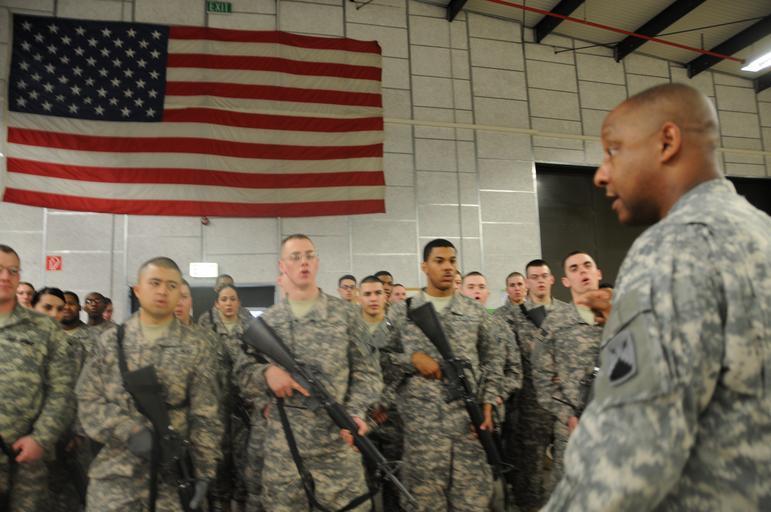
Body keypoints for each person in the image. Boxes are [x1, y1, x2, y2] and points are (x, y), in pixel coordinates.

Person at [545, 83, 771, 510]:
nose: (601, 174)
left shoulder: (671, 248)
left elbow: (628, 457)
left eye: (613, 150)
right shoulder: (759, 231)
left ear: (667, 142)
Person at [234, 234, 382, 512]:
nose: (304, 262)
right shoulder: (268, 322)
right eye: (295, 257)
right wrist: (266, 374)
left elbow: (369, 373)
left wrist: (356, 412)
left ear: (317, 262)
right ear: (282, 266)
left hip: (337, 445)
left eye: (309, 255)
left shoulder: (347, 316)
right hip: (284, 451)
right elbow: (242, 373)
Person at [76, 257, 223, 511]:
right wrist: (129, 430)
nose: (163, 291)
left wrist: (204, 470)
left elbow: (206, 414)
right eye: (155, 283)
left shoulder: (197, 345)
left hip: (173, 480)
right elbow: (88, 400)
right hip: (115, 477)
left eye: (172, 285)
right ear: (138, 290)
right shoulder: (110, 341)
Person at [384, 239, 505, 511]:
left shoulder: (475, 311)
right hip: (422, 436)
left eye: (452, 261)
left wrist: (489, 403)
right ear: (424, 266)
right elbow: (379, 359)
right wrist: (411, 360)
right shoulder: (402, 312)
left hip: (469, 430)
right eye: (439, 261)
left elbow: (493, 361)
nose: (448, 267)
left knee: (473, 505)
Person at [492, 259, 572, 510]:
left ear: (552, 279)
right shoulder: (512, 317)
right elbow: (508, 361)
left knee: (568, 465)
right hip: (530, 405)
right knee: (530, 471)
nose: (540, 281)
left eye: (544, 276)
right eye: (534, 277)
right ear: (527, 282)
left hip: (565, 403)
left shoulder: (567, 313)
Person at [0, 244, 75, 511]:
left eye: (13, 271)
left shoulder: (44, 327)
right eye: (0, 269)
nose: (6, 276)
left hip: (25, 457)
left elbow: (63, 389)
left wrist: (41, 438)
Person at [532, 251, 603, 494]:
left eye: (587, 265)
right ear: (565, 281)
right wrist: (568, 415)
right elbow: (541, 377)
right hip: (574, 427)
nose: (582, 271)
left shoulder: (620, 316)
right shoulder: (555, 322)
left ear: (598, 273)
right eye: (574, 268)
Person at [200, 284, 252, 512]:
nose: (229, 303)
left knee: (244, 454)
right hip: (217, 402)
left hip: (244, 404)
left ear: (238, 303)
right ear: (217, 304)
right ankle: (221, 500)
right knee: (219, 453)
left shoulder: (250, 328)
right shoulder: (207, 328)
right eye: (224, 299)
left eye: (232, 299)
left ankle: (241, 499)